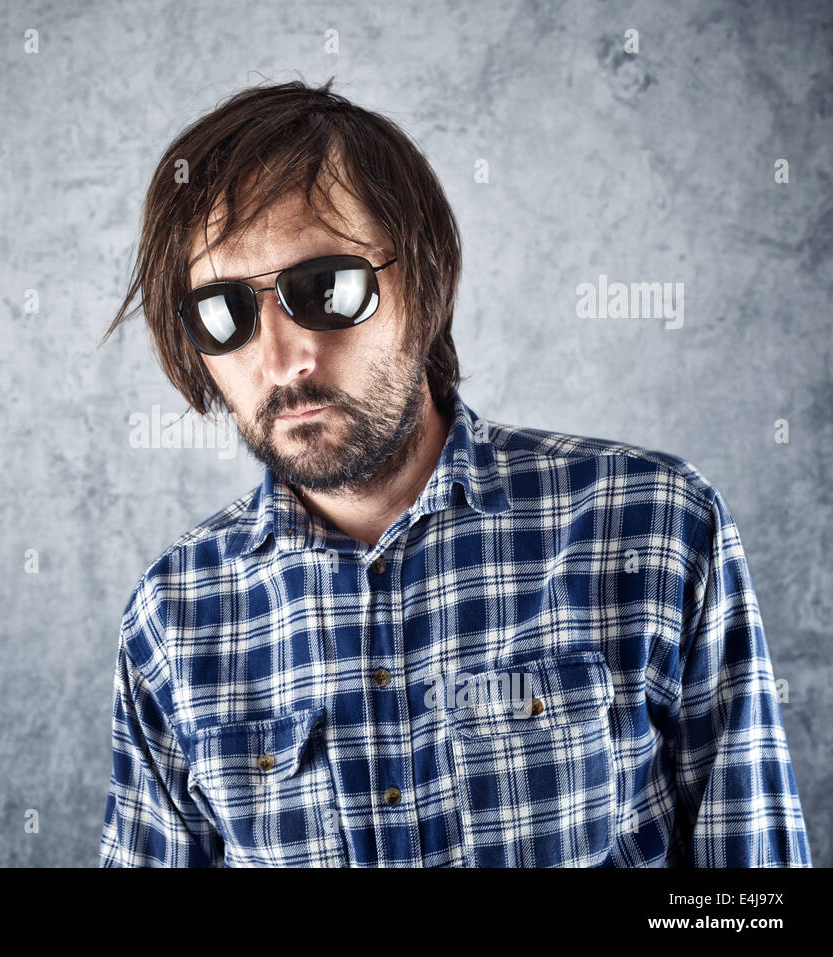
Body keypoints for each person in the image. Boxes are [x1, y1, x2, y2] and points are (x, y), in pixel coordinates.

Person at [95, 78, 810, 867]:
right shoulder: (172, 619)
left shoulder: (655, 527)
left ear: (425, 278)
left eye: (325, 289)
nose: (282, 358)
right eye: (224, 311)